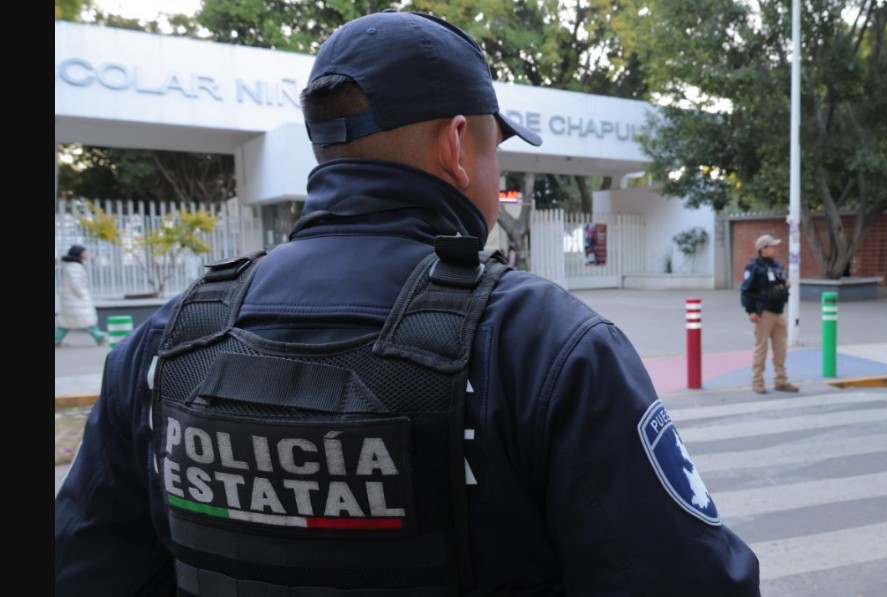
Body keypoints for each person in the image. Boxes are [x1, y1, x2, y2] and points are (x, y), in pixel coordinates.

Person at [54, 10, 760, 597]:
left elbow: (82, 567)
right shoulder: (540, 343)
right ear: (458, 145)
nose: (496, 173)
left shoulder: (167, 342)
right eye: (495, 150)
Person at [740, 234, 799, 395]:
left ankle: (781, 380)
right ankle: (757, 381)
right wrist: (751, 311)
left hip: (778, 312)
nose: (776, 248)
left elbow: (782, 284)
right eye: (772, 246)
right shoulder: (754, 267)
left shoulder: (777, 265)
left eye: (775, 246)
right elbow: (746, 291)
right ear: (763, 249)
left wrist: (786, 285)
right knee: (761, 349)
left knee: (781, 349)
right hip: (763, 313)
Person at [54, 244, 106, 347]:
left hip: (72, 299)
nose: (86, 254)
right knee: (85, 319)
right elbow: (75, 283)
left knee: (66, 322)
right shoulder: (74, 267)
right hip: (75, 299)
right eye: (84, 252)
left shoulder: (73, 265)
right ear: (78, 254)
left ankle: (56, 340)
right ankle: (100, 337)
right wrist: (82, 294)